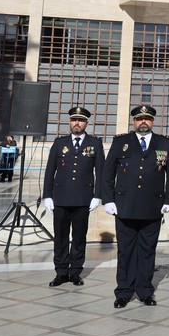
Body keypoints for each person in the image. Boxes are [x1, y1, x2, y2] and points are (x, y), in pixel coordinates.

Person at [103, 104, 169, 308]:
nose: (143, 122)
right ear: (133, 121)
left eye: (147, 119)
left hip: (152, 206)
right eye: (139, 118)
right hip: (125, 206)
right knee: (125, 251)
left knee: (147, 250)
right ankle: (124, 291)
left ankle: (145, 291)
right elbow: (108, 173)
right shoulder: (121, 142)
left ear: (152, 121)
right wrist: (108, 199)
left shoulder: (165, 143)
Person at [42, 107, 104, 287]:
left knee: (79, 237)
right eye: (74, 120)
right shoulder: (59, 143)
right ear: (70, 122)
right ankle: (61, 272)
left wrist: (97, 196)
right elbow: (49, 171)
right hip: (60, 198)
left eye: (81, 120)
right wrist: (47, 195)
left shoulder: (95, 144)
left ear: (86, 123)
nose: (77, 123)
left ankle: (75, 271)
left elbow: (100, 171)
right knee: (60, 237)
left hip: (83, 199)